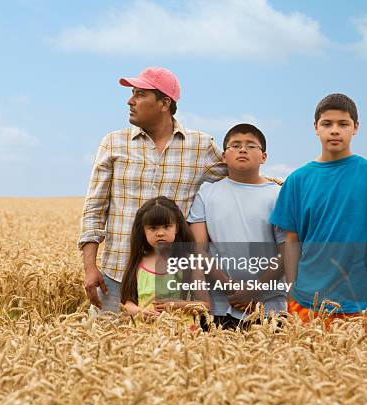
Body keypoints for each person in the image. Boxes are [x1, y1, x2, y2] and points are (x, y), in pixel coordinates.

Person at [79, 67, 227, 313]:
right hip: (116, 278)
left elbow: (239, 174)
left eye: (139, 94)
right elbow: (94, 209)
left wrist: (288, 185)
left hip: (175, 282)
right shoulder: (113, 143)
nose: (130, 100)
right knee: (109, 350)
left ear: (164, 103)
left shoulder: (200, 145)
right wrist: (90, 267)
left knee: (172, 351)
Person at [270, 93, 367, 325]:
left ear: (355, 127)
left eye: (343, 124)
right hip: (307, 301)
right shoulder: (297, 180)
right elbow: (291, 241)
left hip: (364, 301)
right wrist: (292, 293)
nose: (334, 130)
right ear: (315, 127)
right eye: (327, 124)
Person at [188, 124, 287, 330]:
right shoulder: (206, 193)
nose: (243, 150)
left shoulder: (278, 195)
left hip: (268, 306)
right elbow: (199, 249)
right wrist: (229, 286)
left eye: (251, 146)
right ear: (224, 156)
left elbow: (287, 252)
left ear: (264, 157)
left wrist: (254, 290)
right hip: (219, 307)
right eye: (235, 145)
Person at [120, 196, 208, 323]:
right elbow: (127, 304)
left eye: (166, 226)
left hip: (181, 334)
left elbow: (205, 305)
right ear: (143, 231)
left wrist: (177, 306)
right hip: (145, 335)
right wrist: (140, 312)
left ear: (176, 228)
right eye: (153, 228)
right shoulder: (139, 262)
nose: (160, 233)